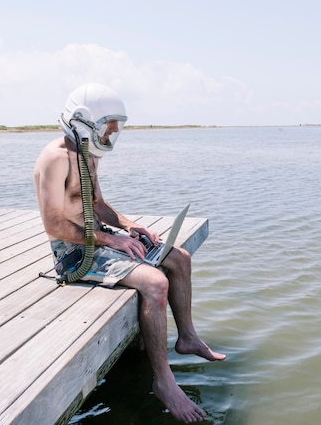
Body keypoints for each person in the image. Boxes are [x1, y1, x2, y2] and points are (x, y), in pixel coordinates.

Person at [33, 83, 225, 423]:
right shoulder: (54, 159)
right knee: (155, 283)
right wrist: (111, 242)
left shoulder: (88, 154)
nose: (110, 134)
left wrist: (130, 227)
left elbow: (97, 205)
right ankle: (164, 382)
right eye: (106, 126)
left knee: (178, 256)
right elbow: (54, 226)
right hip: (74, 254)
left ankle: (188, 337)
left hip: (98, 238)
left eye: (114, 127)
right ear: (83, 122)